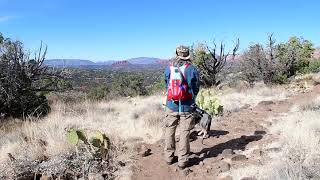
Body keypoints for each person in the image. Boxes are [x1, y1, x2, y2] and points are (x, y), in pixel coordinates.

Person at [164, 45, 200, 169]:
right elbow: (196, 87)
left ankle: (169, 157)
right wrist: (191, 97)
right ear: (188, 55)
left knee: (170, 130)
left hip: (171, 105)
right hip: (187, 106)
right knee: (184, 132)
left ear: (176, 54)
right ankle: (183, 161)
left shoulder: (169, 68)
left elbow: (166, 84)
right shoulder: (192, 69)